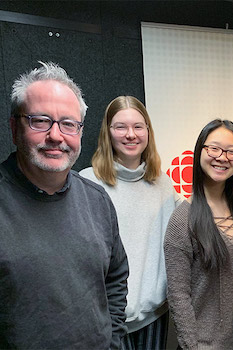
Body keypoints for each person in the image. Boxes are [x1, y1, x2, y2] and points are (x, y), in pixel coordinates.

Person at [0, 61, 129, 350]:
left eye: (68, 124)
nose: (56, 136)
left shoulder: (97, 202)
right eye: (40, 120)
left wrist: (113, 342)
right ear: (14, 127)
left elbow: (116, 277)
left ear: (80, 131)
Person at [79, 96, 178, 350]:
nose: (130, 134)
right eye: (120, 126)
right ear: (107, 132)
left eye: (138, 126)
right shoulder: (87, 183)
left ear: (148, 131)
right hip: (106, 316)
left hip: (153, 316)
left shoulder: (164, 185)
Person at [164, 119, 233, 349]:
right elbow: (178, 296)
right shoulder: (183, 220)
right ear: (199, 150)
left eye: (231, 151)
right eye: (214, 148)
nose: (222, 157)